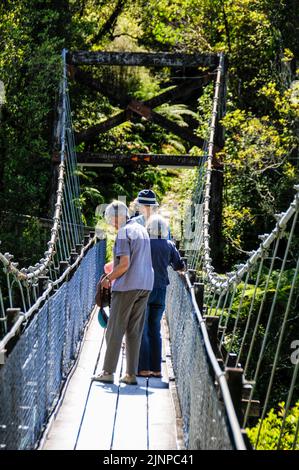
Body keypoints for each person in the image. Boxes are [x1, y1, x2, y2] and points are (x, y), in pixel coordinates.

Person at [93, 200, 154, 385]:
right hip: (146, 285)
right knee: (134, 331)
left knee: (114, 329)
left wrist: (107, 279)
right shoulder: (141, 229)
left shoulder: (123, 232)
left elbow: (125, 265)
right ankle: (130, 374)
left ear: (117, 217)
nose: (110, 223)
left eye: (110, 219)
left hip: (127, 286)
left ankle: (108, 372)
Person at [138, 214, 185, 378]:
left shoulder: (143, 243)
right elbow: (180, 266)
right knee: (155, 328)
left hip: (143, 289)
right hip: (160, 290)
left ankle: (143, 368)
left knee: (142, 329)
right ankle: (156, 369)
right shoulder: (169, 245)